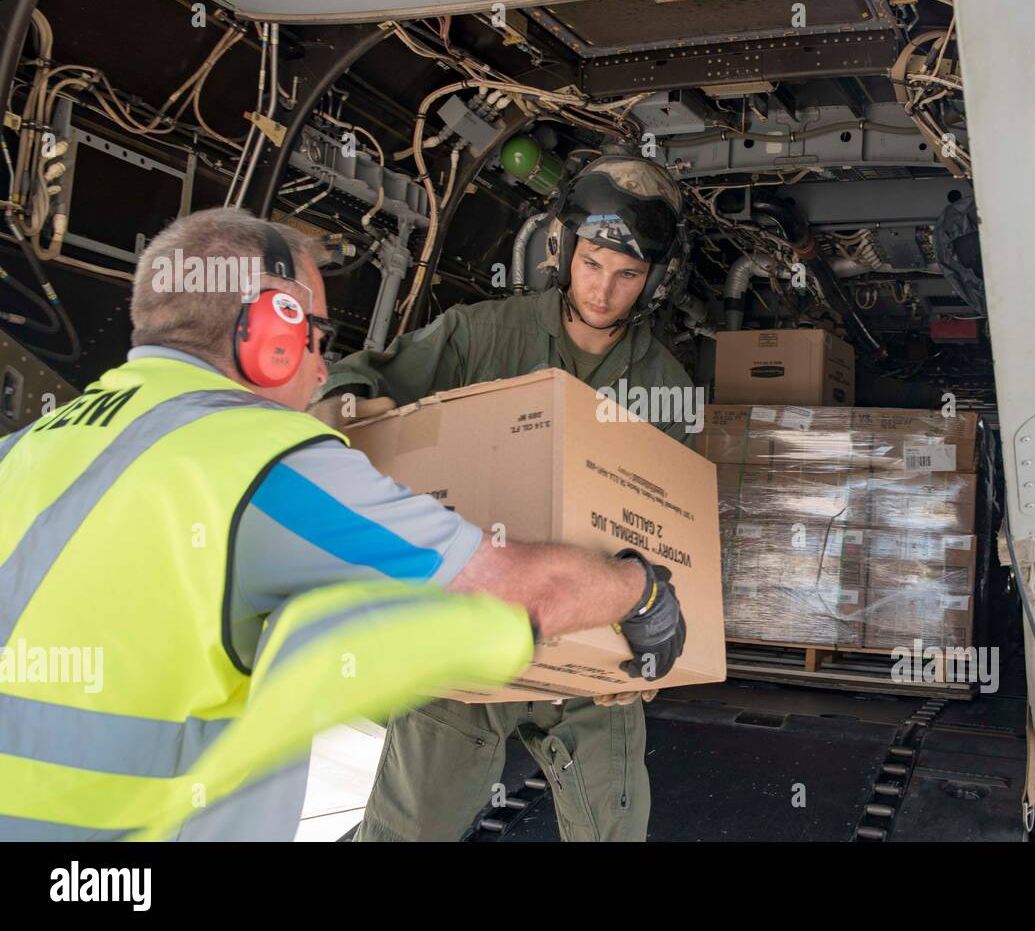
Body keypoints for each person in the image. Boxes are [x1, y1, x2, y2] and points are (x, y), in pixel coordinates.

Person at [0, 206, 684, 840]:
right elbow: (516, 591)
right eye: (313, 336)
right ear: (268, 336)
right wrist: (642, 591)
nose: (324, 364)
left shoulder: (24, 448)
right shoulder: (275, 466)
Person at [317, 155, 697, 842]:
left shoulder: (665, 384)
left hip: (589, 645)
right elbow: (365, 377)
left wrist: (656, 645)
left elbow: (677, 533)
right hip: (469, 621)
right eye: (592, 264)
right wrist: (340, 407)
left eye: (627, 274)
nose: (604, 290)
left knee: (615, 828)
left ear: (654, 281)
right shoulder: (480, 334)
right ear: (563, 249)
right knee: (409, 828)